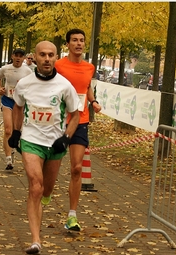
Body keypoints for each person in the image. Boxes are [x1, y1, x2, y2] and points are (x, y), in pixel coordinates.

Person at [8, 40, 80, 255]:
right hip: (31, 140)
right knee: (35, 187)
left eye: (51, 55)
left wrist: (66, 138)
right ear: (35, 57)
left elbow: (75, 115)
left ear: (56, 57)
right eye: (42, 55)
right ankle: (36, 240)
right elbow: (18, 107)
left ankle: (43, 199)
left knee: (46, 190)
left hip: (55, 143)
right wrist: (16, 132)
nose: (47, 59)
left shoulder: (65, 85)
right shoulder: (25, 84)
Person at [55, 29, 102, 231]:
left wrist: (94, 101)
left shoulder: (89, 67)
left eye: (82, 40)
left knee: (76, 168)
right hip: (57, 121)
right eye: (74, 40)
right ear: (67, 44)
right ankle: (45, 193)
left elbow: (87, 87)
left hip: (80, 120)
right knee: (51, 167)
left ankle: (72, 216)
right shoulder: (58, 65)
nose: (79, 43)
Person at [0, 48, 32, 170]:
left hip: (20, 103)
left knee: (18, 130)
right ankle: (8, 160)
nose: (18, 58)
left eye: (21, 56)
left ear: (24, 58)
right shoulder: (5, 68)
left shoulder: (27, 71)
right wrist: (0, 88)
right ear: (12, 56)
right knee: (7, 130)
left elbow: (33, 84)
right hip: (7, 100)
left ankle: (13, 147)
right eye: (16, 55)